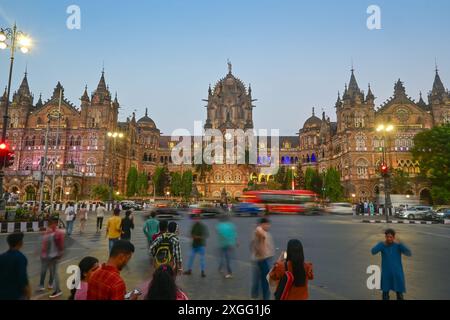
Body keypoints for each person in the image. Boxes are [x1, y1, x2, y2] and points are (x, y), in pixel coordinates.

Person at [371, 229, 412, 300]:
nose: (389, 239)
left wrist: (401, 243)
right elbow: (373, 251)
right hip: (386, 274)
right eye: (387, 237)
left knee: (399, 295)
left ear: (394, 237)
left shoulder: (398, 246)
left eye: (390, 237)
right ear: (385, 237)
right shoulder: (382, 245)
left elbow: (409, 253)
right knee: (385, 295)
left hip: (397, 274)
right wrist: (381, 244)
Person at [38, 217, 65, 299]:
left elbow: (61, 245)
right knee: (45, 271)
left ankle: (57, 289)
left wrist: (60, 253)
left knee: (54, 273)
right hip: (46, 256)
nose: (49, 225)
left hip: (54, 256)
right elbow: (44, 244)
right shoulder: (48, 231)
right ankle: (44, 285)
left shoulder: (58, 233)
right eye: (49, 224)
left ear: (56, 224)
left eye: (51, 223)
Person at [0, 232, 31, 300]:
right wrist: (28, 292)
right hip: (16, 294)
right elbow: (22, 278)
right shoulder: (21, 258)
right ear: (20, 243)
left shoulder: (2, 257)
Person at [251, 218, 274, 300]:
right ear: (262, 224)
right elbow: (259, 237)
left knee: (258, 279)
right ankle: (264, 297)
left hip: (264, 258)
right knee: (264, 280)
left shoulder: (264, 232)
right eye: (267, 224)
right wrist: (262, 254)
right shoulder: (259, 231)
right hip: (262, 259)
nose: (268, 226)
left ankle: (255, 295)